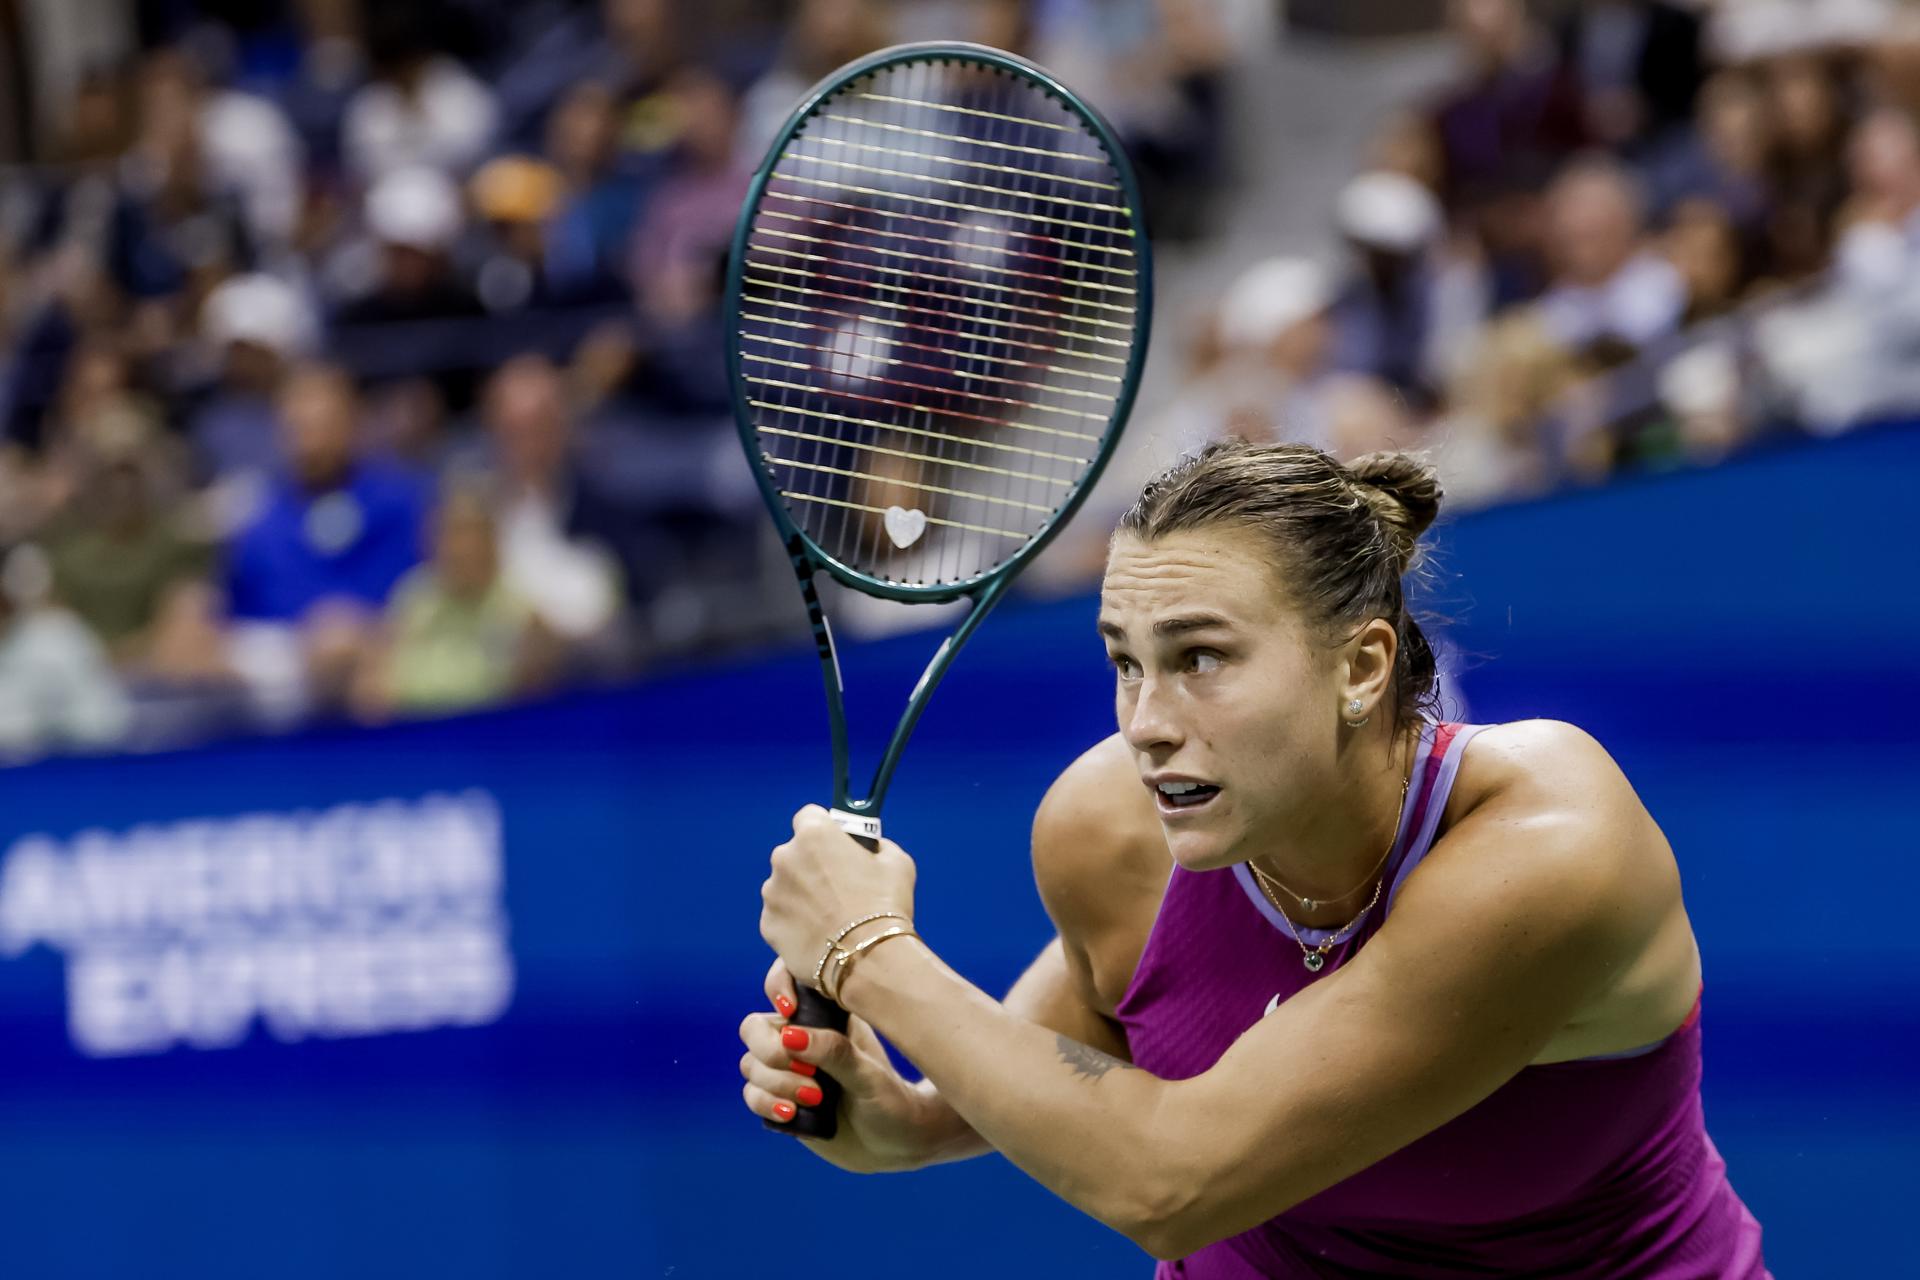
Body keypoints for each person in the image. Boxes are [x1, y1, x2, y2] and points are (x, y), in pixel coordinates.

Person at [740, 440, 1769, 1277]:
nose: (1145, 722)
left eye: (1201, 657)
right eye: (1125, 660)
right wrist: (905, 1120)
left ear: (1361, 665)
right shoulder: (1108, 827)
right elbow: (1076, 1065)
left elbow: (1170, 1181)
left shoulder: (1553, 847)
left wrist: (870, 950)